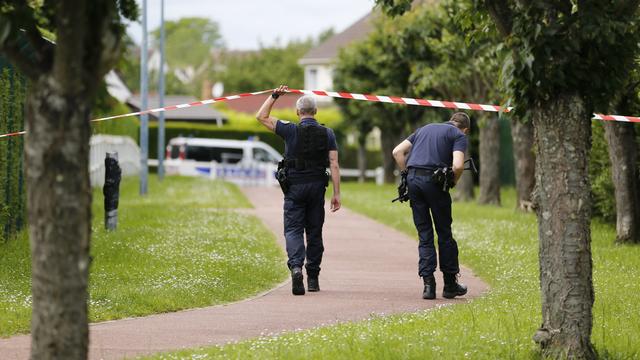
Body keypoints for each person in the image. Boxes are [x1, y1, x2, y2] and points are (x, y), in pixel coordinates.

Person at [256, 85, 341, 296]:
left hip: (294, 187)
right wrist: (337, 194)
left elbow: (261, 116)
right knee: (314, 231)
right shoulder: (327, 133)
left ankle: (296, 267)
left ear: (297, 112)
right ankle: (313, 277)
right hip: (316, 187)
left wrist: (275, 96)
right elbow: (334, 164)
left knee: (293, 229)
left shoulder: (289, 130)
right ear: (316, 112)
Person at [392, 112, 470, 300]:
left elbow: (397, 152)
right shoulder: (458, 135)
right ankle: (450, 285)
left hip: (413, 181)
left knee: (424, 234)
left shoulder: (423, 129)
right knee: (444, 233)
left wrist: (406, 174)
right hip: (435, 183)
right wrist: (453, 181)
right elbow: (458, 166)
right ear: (465, 129)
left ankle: (428, 286)